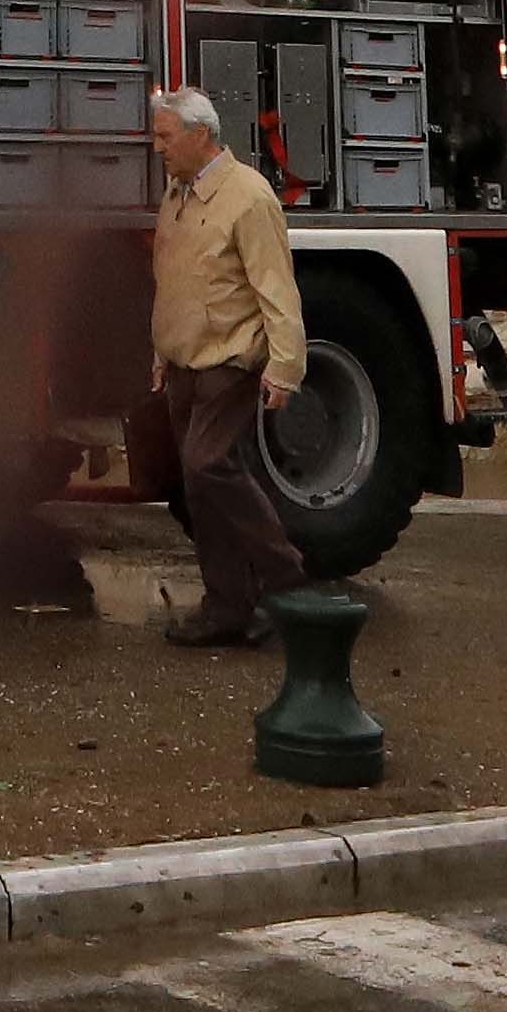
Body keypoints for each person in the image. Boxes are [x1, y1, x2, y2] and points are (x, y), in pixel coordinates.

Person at [143, 82, 306, 645]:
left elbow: (277, 292)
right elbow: (170, 283)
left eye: (165, 137)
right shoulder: (177, 196)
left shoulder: (249, 198)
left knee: (208, 465)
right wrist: (161, 355)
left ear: (200, 135)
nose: (157, 147)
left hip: (228, 362)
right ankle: (227, 606)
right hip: (184, 365)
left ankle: (288, 581)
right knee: (197, 481)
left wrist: (285, 368)